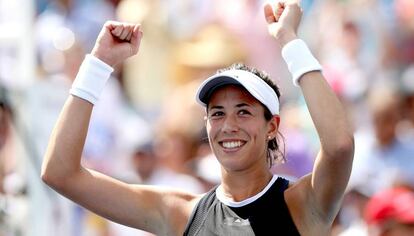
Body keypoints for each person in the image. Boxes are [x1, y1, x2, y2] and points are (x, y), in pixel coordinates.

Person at [41, 0, 354, 235]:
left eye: (243, 111)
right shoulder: (180, 213)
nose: (228, 125)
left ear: (272, 126)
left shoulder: (301, 203)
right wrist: (98, 63)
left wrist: (289, 39)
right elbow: (60, 173)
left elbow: (339, 146)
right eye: (217, 113)